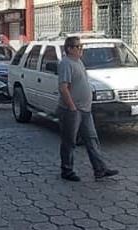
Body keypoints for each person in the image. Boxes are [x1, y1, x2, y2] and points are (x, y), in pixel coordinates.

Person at [58, 36, 119, 182]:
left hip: (85, 109)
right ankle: (67, 170)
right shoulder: (66, 63)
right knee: (69, 141)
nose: (81, 49)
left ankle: (100, 169)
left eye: (81, 46)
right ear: (69, 49)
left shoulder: (78, 61)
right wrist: (72, 106)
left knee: (92, 139)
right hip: (72, 110)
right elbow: (63, 87)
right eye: (77, 47)